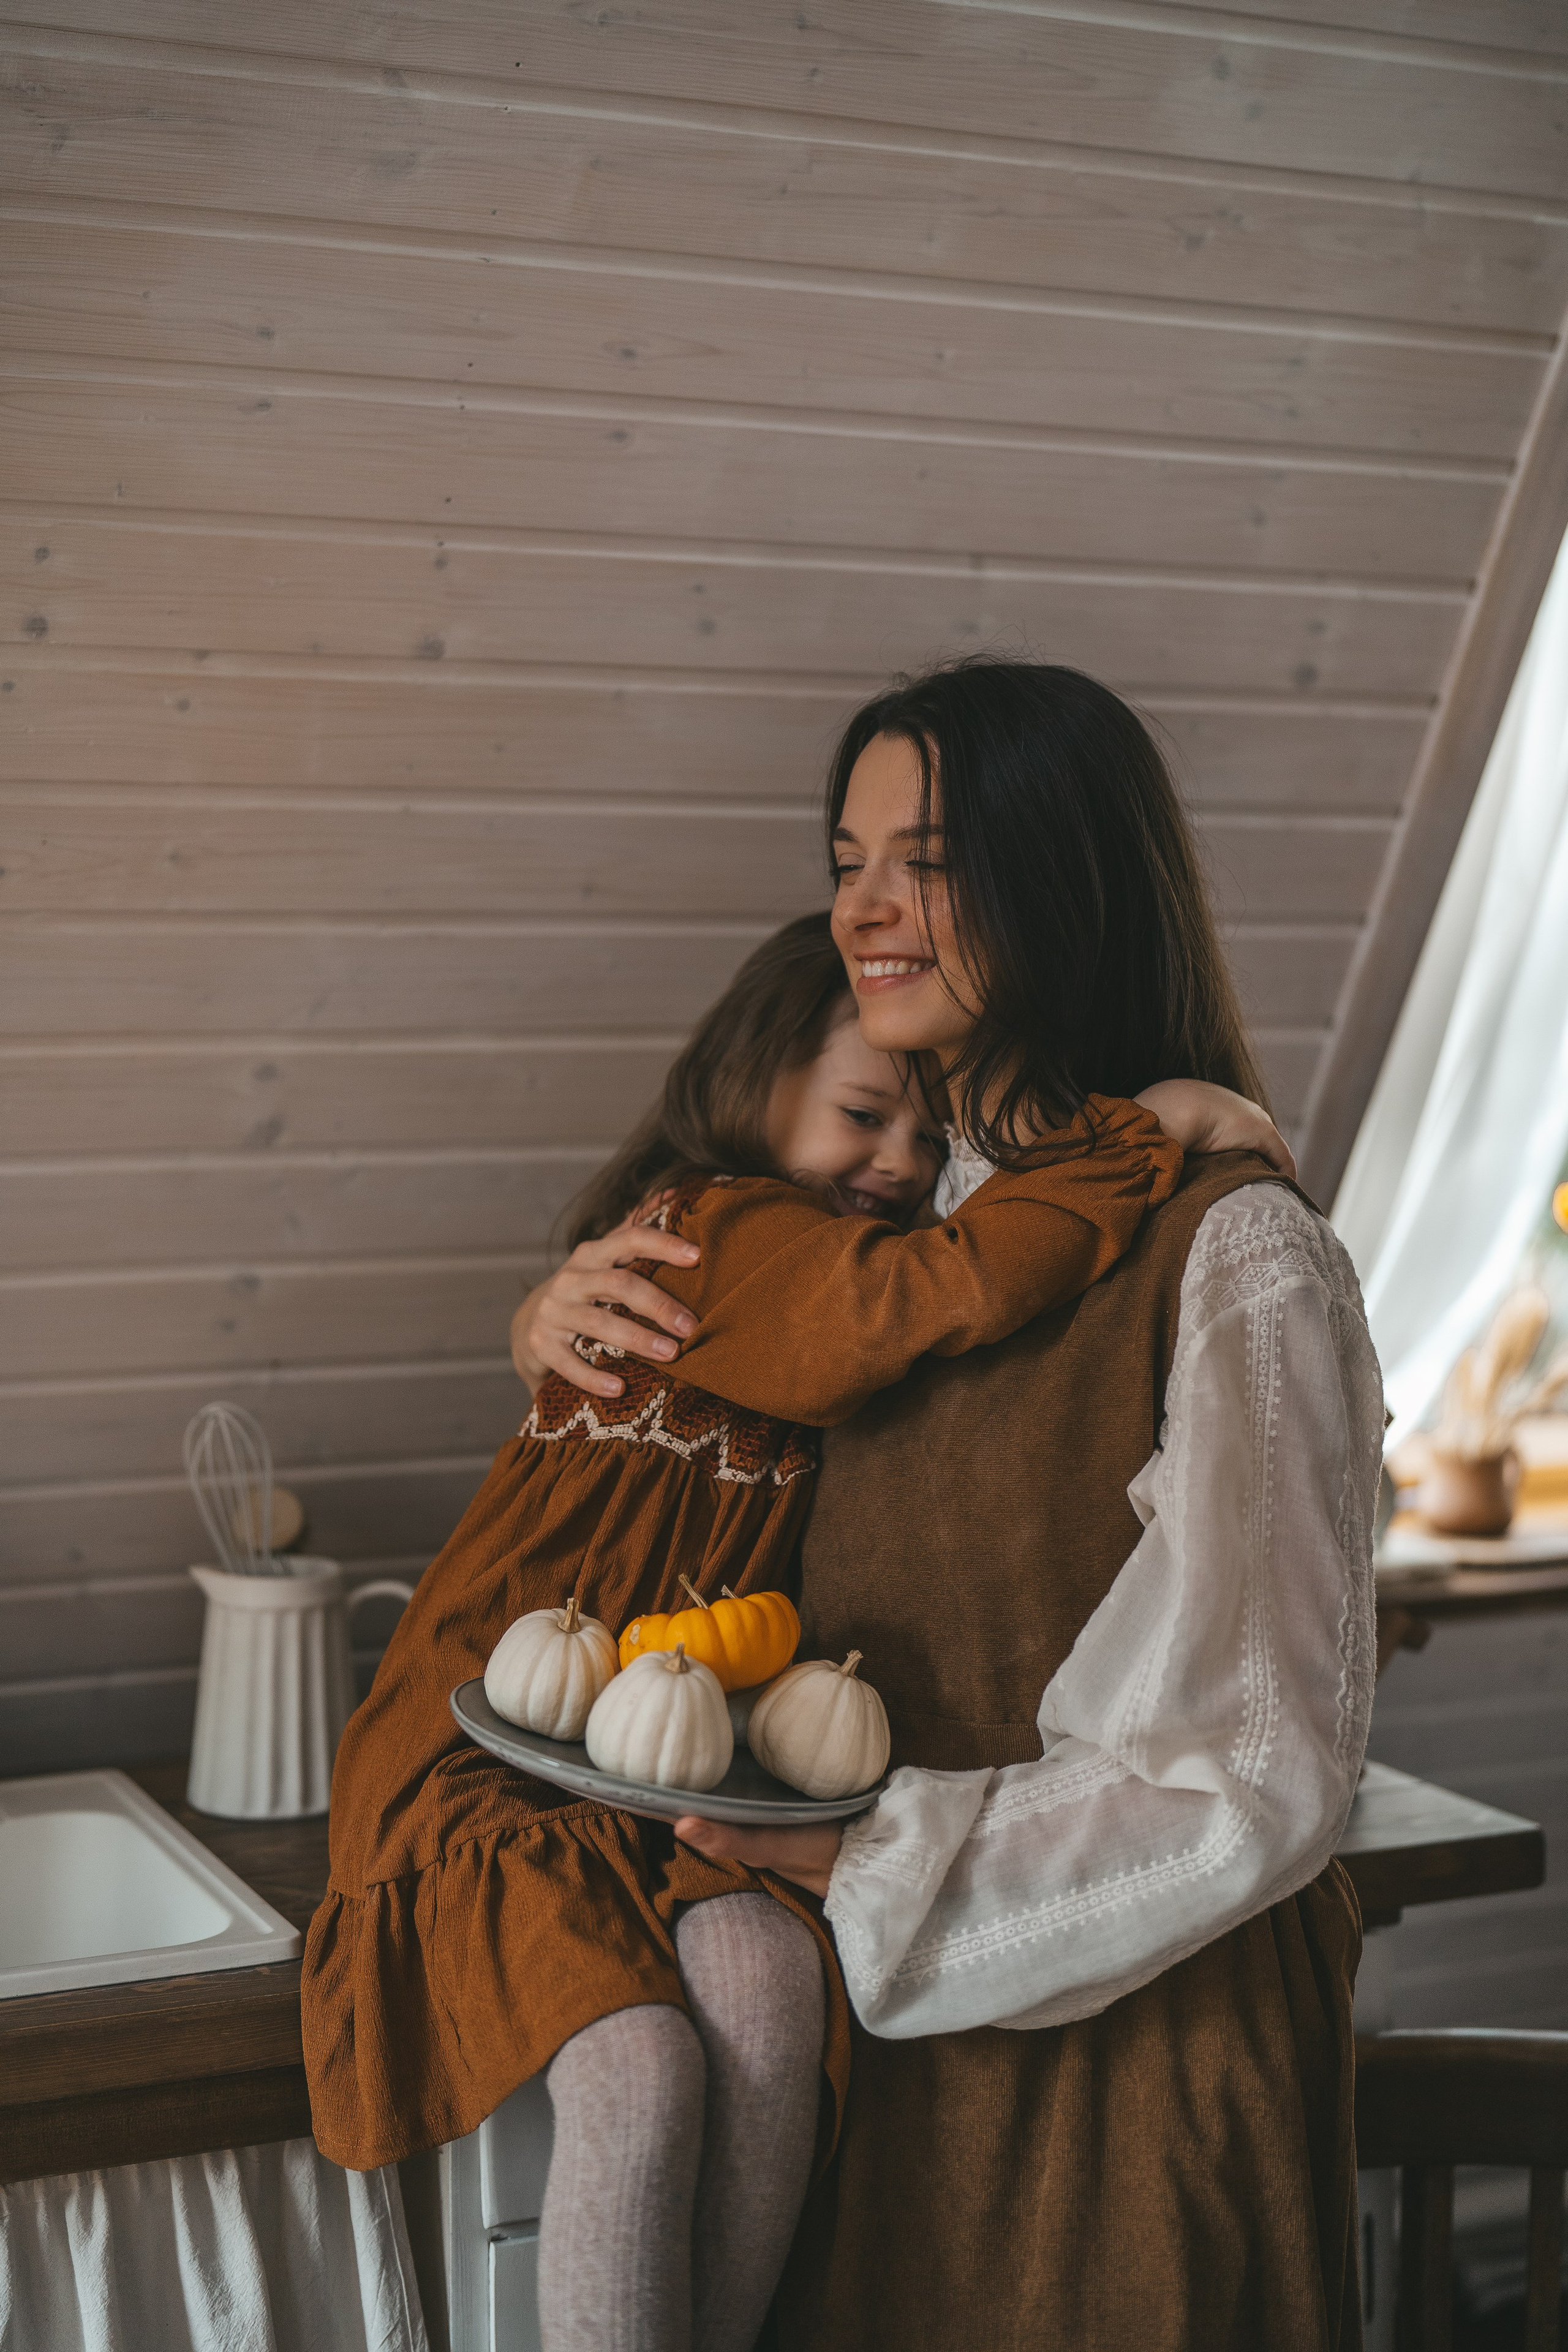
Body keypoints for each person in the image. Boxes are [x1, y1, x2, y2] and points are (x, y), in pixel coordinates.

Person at [533, 663, 1383, 2352]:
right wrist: (549, 1324)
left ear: (1058, 877)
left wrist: (873, 1854)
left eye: (922, 857)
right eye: (844, 856)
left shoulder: (1240, 1260)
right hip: (894, 2060)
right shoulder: (915, 1237)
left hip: (1132, 2092)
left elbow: (1259, 1778)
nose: (862, 906)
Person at [304, 910, 1286, 2352]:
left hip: (673, 1775)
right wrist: (1142, 1142)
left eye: (922, 1132)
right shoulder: (717, 1229)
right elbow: (924, 1298)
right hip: (497, 1753)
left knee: (767, 2007)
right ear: (755, 1074)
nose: (895, 1163)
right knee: (639, 2073)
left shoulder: (820, 1263)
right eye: (862, 1114)